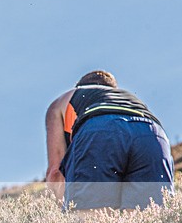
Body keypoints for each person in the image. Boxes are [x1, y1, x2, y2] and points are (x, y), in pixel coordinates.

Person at [45, 70, 174, 210]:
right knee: (147, 219)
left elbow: (55, 172)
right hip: (153, 134)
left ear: (79, 86)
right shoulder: (128, 97)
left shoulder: (63, 100)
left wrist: (58, 215)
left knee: (90, 220)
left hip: (99, 129)